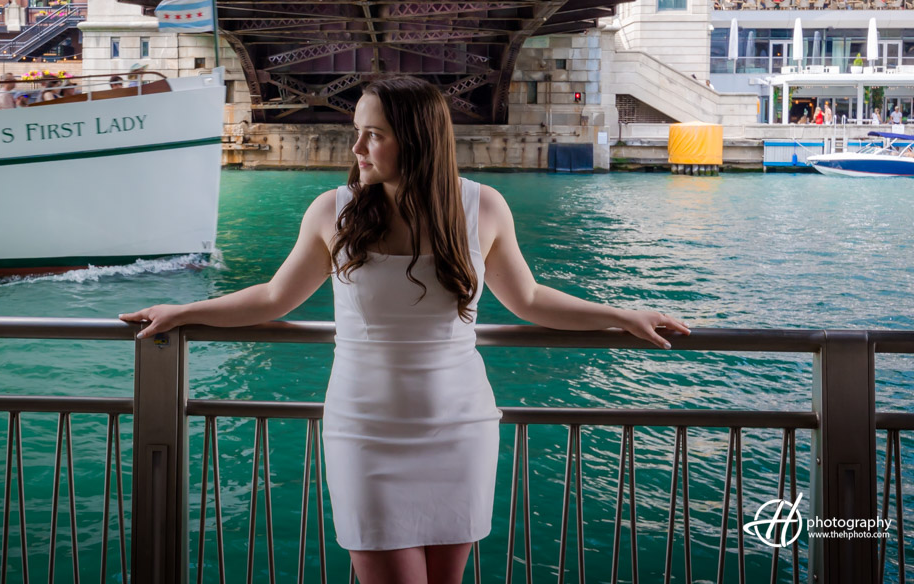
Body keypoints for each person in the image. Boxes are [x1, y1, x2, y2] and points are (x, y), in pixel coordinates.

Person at [120, 77, 690, 584]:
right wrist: (183, 311)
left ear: (416, 140)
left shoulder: (483, 207)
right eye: (358, 132)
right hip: (364, 431)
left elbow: (530, 299)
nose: (357, 148)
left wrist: (622, 315)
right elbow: (273, 297)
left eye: (374, 135)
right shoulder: (333, 210)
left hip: (460, 427)